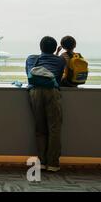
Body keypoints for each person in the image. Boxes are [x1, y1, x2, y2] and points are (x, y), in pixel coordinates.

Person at [26, 36, 66, 172]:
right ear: (55, 48)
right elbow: (58, 78)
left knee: (40, 128)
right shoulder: (60, 60)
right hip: (52, 92)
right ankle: (53, 163)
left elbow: (29, 74)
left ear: (40, 47)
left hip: (35, 92)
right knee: (54, 128)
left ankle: (42, 162)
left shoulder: (31, 58)